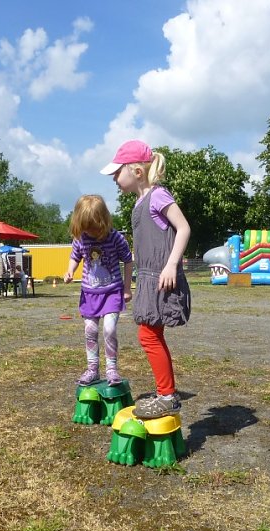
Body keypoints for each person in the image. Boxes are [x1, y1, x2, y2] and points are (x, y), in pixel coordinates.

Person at [101, 140, 191, 419]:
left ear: (137, 171)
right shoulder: (140, 202)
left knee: (148, 335)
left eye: (117, 172)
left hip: (162, 278)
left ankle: (167, 397)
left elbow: (184, 227)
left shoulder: (158, 196)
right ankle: (167, 394)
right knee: (151, 334)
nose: (114, 178)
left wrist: (171, 265)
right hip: (149, 279)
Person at [63, 194, 133, 386]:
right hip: (90, 295)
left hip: (112, 292)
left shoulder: (115, 237)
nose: (91, 232)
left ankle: (112, 369)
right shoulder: (80, 238)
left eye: (94, 227)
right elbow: (75, 256)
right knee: (90, 330)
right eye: (87, 227)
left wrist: (127, 288)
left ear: (103, 221)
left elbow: (128, 261)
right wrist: (70, 271)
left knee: (109, 329)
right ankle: (92, 369)